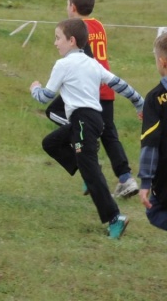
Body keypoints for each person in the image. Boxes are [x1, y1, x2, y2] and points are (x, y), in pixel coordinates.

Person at [30, 18, 144, 239]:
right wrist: (139, 102)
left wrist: (35, 88)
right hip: (91, 120)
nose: (55, 43)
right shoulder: (93, 63)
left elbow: (45, 97)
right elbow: (119, 84)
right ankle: (85, 168)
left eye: (58, 38)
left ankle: (115, 218)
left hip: (83, 122)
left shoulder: (62, 65)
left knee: (91, 173)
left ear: (71, 40)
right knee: (50, 143)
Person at [45, 0, 138, 198]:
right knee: (109, 134)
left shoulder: (77, 30)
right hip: (106, 87)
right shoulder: (99, 26)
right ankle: (126, 178)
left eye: (67, 4)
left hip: (87, 89)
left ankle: (84, 142)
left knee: (53, 111)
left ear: (72, 7)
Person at [138, 33, 167, 231]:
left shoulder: (155, 98)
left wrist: (145, 181)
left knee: (154, 211)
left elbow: (151, 142)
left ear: (162, 62)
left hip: (164, 175)